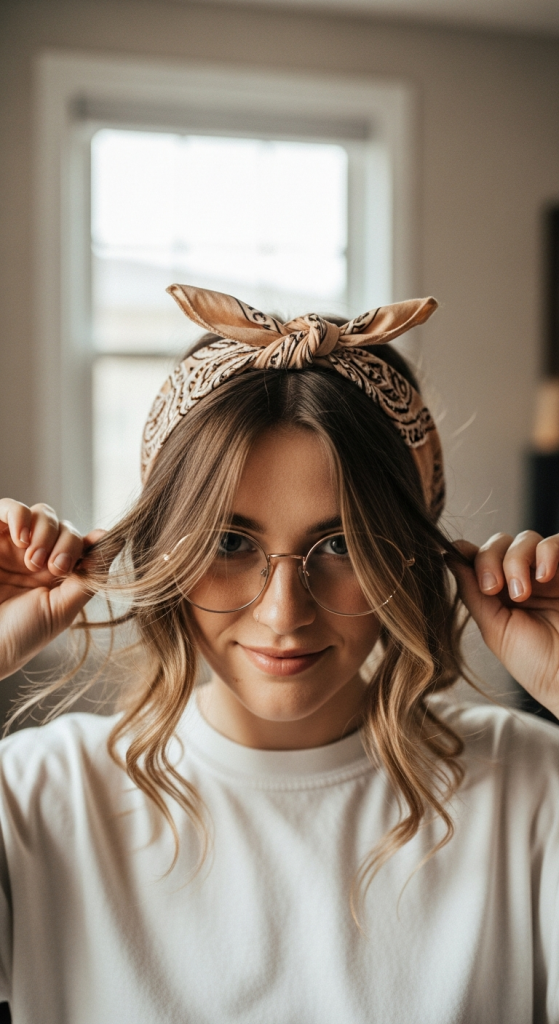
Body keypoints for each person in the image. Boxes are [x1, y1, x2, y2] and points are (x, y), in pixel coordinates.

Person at [0, 284, 558, 1024]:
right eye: (230, 543)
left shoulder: (530, 787)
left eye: (342, 545)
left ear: (409, 557)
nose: (283, 613)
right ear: (166, 555)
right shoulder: (37, 796)